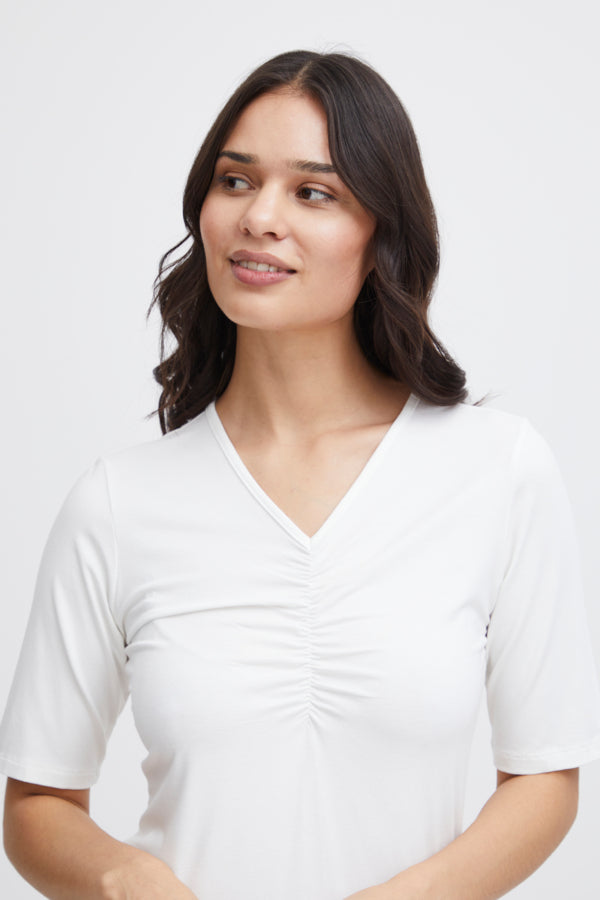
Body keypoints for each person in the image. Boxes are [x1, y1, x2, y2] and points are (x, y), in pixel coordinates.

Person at [1, 48, 600, 900]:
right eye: (235, 181)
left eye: (313, 192)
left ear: (382, 234)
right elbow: (36, 802)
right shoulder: (117, 502)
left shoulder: (499, 471)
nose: (259, 217)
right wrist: (126, 878)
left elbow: (545, 778)